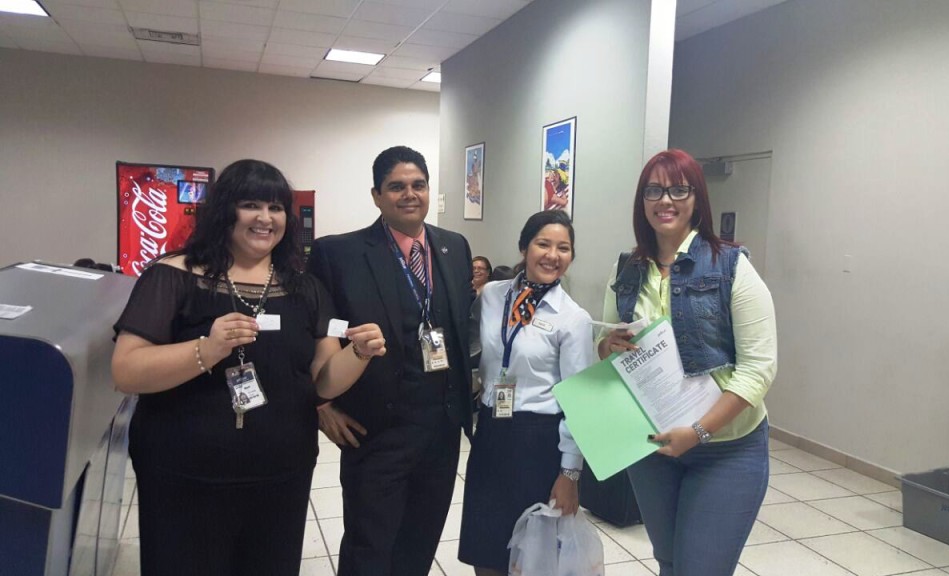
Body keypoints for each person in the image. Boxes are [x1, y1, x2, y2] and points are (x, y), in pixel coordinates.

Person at [111, 159, 386, 576]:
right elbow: (126, 370)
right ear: (225, 211)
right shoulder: (174, 276)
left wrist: (359, 354)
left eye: (276, 208)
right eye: (251, 205)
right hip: (183, 475)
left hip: (280, 475)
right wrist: (206, 348)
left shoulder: (304, 288)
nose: (265, 218)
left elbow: (322, 382)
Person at [597, 149, 777, 576]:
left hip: (726, 448)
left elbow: (759, 370)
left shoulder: (732, 265)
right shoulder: (627, 269)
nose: (666, 200)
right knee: (671, 562)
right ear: (642, 200)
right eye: (654, 190)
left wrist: (698, 432)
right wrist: (608, 347)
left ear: (697, 198)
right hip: (652, 446)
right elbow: (604, 349)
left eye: (679, 189)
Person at [307, 146, 474, 576]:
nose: (409, 194)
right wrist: (321, 404)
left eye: (418, 185)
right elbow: (315, 332)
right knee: (370, 547)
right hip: (377, 431)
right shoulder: (337, 254)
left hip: (441, 430)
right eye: (396, 186)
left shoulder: (454, 248)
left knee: (419, 542)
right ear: (376, 195)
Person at [459, 210, 594, 576]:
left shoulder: (572, 318)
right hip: (491, 434)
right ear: (524, 247)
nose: (553, 255)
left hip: (538, 445)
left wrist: (570, 474)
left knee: (532, 561)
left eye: (563, 248)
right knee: (486, 553)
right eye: (543, 244)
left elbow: (580, 402)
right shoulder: (490, 297)